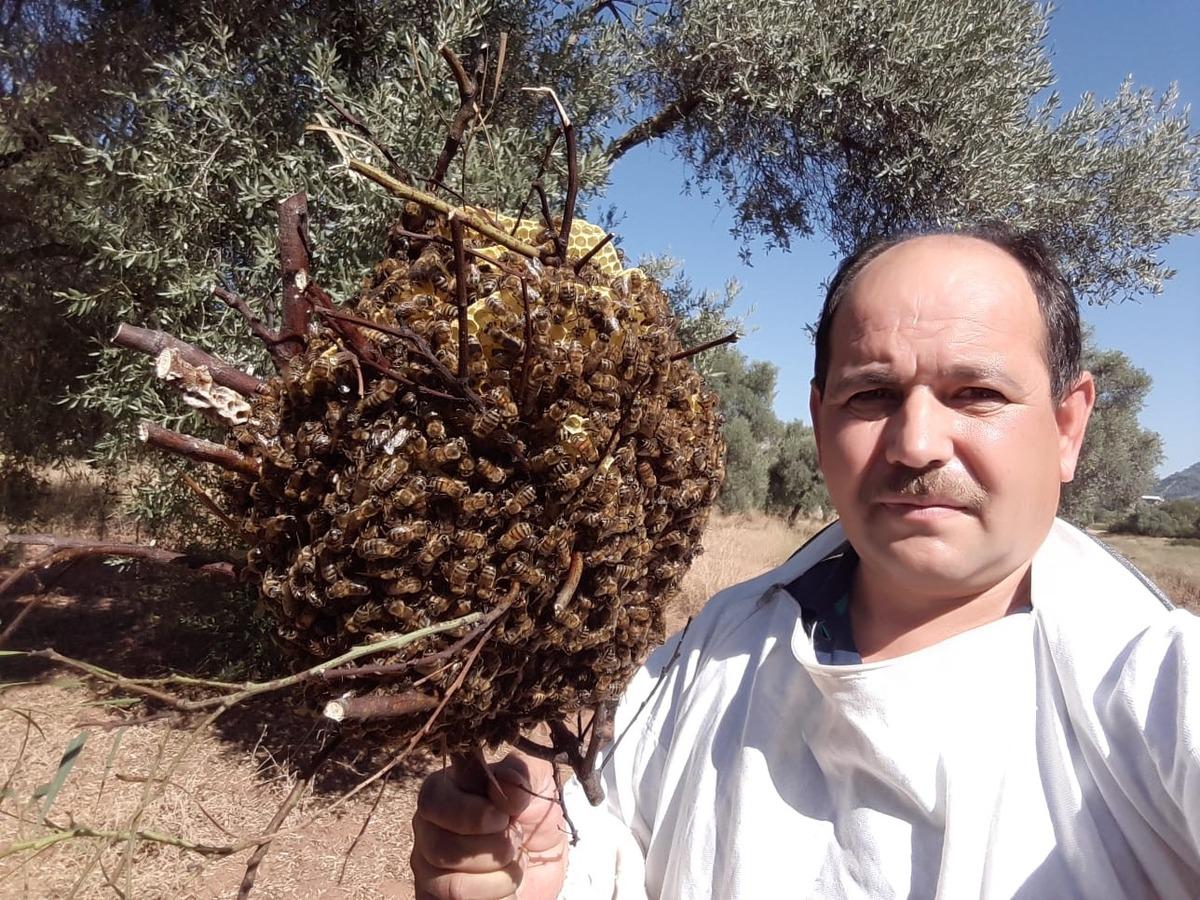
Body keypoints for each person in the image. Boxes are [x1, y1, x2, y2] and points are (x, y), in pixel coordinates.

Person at [410, 227, 1200, 899]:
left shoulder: (1157, 689)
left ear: (1067, 427)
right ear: (820, 425)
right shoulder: (715, 644)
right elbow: (618, 845)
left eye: (975, 393)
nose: (917, 443)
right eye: (872, 395)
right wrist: (544, 871)